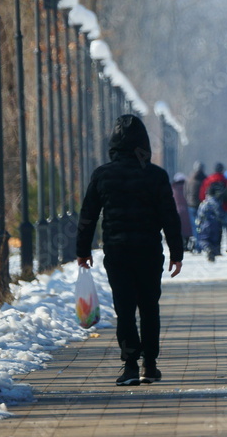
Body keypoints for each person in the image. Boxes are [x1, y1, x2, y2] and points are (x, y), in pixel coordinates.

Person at [76, 114, 183, 387]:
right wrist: (177, 253)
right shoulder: (156, 176)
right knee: (149, 307)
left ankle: (130, 365)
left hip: (118, 251)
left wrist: (83, 249)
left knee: (124, 308)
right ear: (145, 144)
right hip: (148, 251)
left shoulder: (102, 175)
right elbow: (170, 216)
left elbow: (88, 215)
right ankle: (150, 364)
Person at [200, 163, 227, 251]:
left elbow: (203, 194)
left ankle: (216, 247)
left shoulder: (209, 180)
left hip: (211, 209)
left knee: (215, 229)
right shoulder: (225, 180)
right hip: (224, 207)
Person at [198, 182, 227, 261]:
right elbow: (220, 213)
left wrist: (199, 224)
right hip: (215, 224)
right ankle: (214, 251)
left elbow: (200, 214)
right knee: (214, 240)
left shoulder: (204, 203)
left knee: (204, 239)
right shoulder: (216, 203)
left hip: (205, 224)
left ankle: (208, 249)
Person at [187, 162, 206, 252]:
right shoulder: (205, 179)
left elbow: (186, 192)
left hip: (191, 205)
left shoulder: (190, 179)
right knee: (203, 226)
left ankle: (197, 246)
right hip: (202, 205)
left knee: (195, 226)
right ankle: (202, 244)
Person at [171, 173, 192, 251]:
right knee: (187, 229)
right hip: (187, 210)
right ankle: (187, 244)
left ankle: (181, 245)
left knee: (179, 230)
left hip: (177, 210)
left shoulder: (173, 188)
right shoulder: (187, 187)